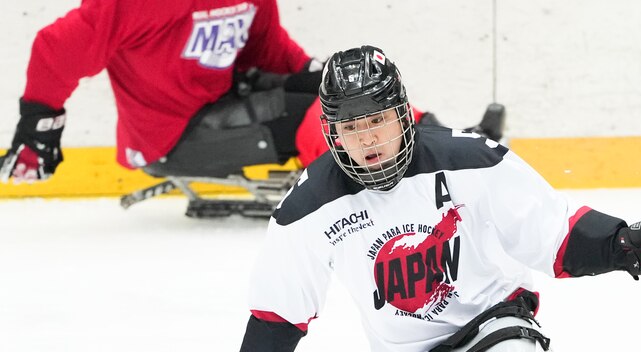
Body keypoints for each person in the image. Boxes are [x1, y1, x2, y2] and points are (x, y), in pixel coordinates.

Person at [210, 45, 641, 352]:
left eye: (379, 121)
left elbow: (554, 234)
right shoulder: (307, 207)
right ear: (330, 131)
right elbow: (280, 307)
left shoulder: (472, 159)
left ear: (403, 113)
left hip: (499, 318)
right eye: (351, 126)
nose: (367, 140)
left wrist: (635, 245)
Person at [0, 0, 494, 187]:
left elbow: (267, 48)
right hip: (174, 134)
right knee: (318, 118)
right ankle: (401, 174)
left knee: (348, 93)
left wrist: (311, 73)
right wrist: (38, 126)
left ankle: (444, 141)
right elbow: (57, 46)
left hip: (224, 99)